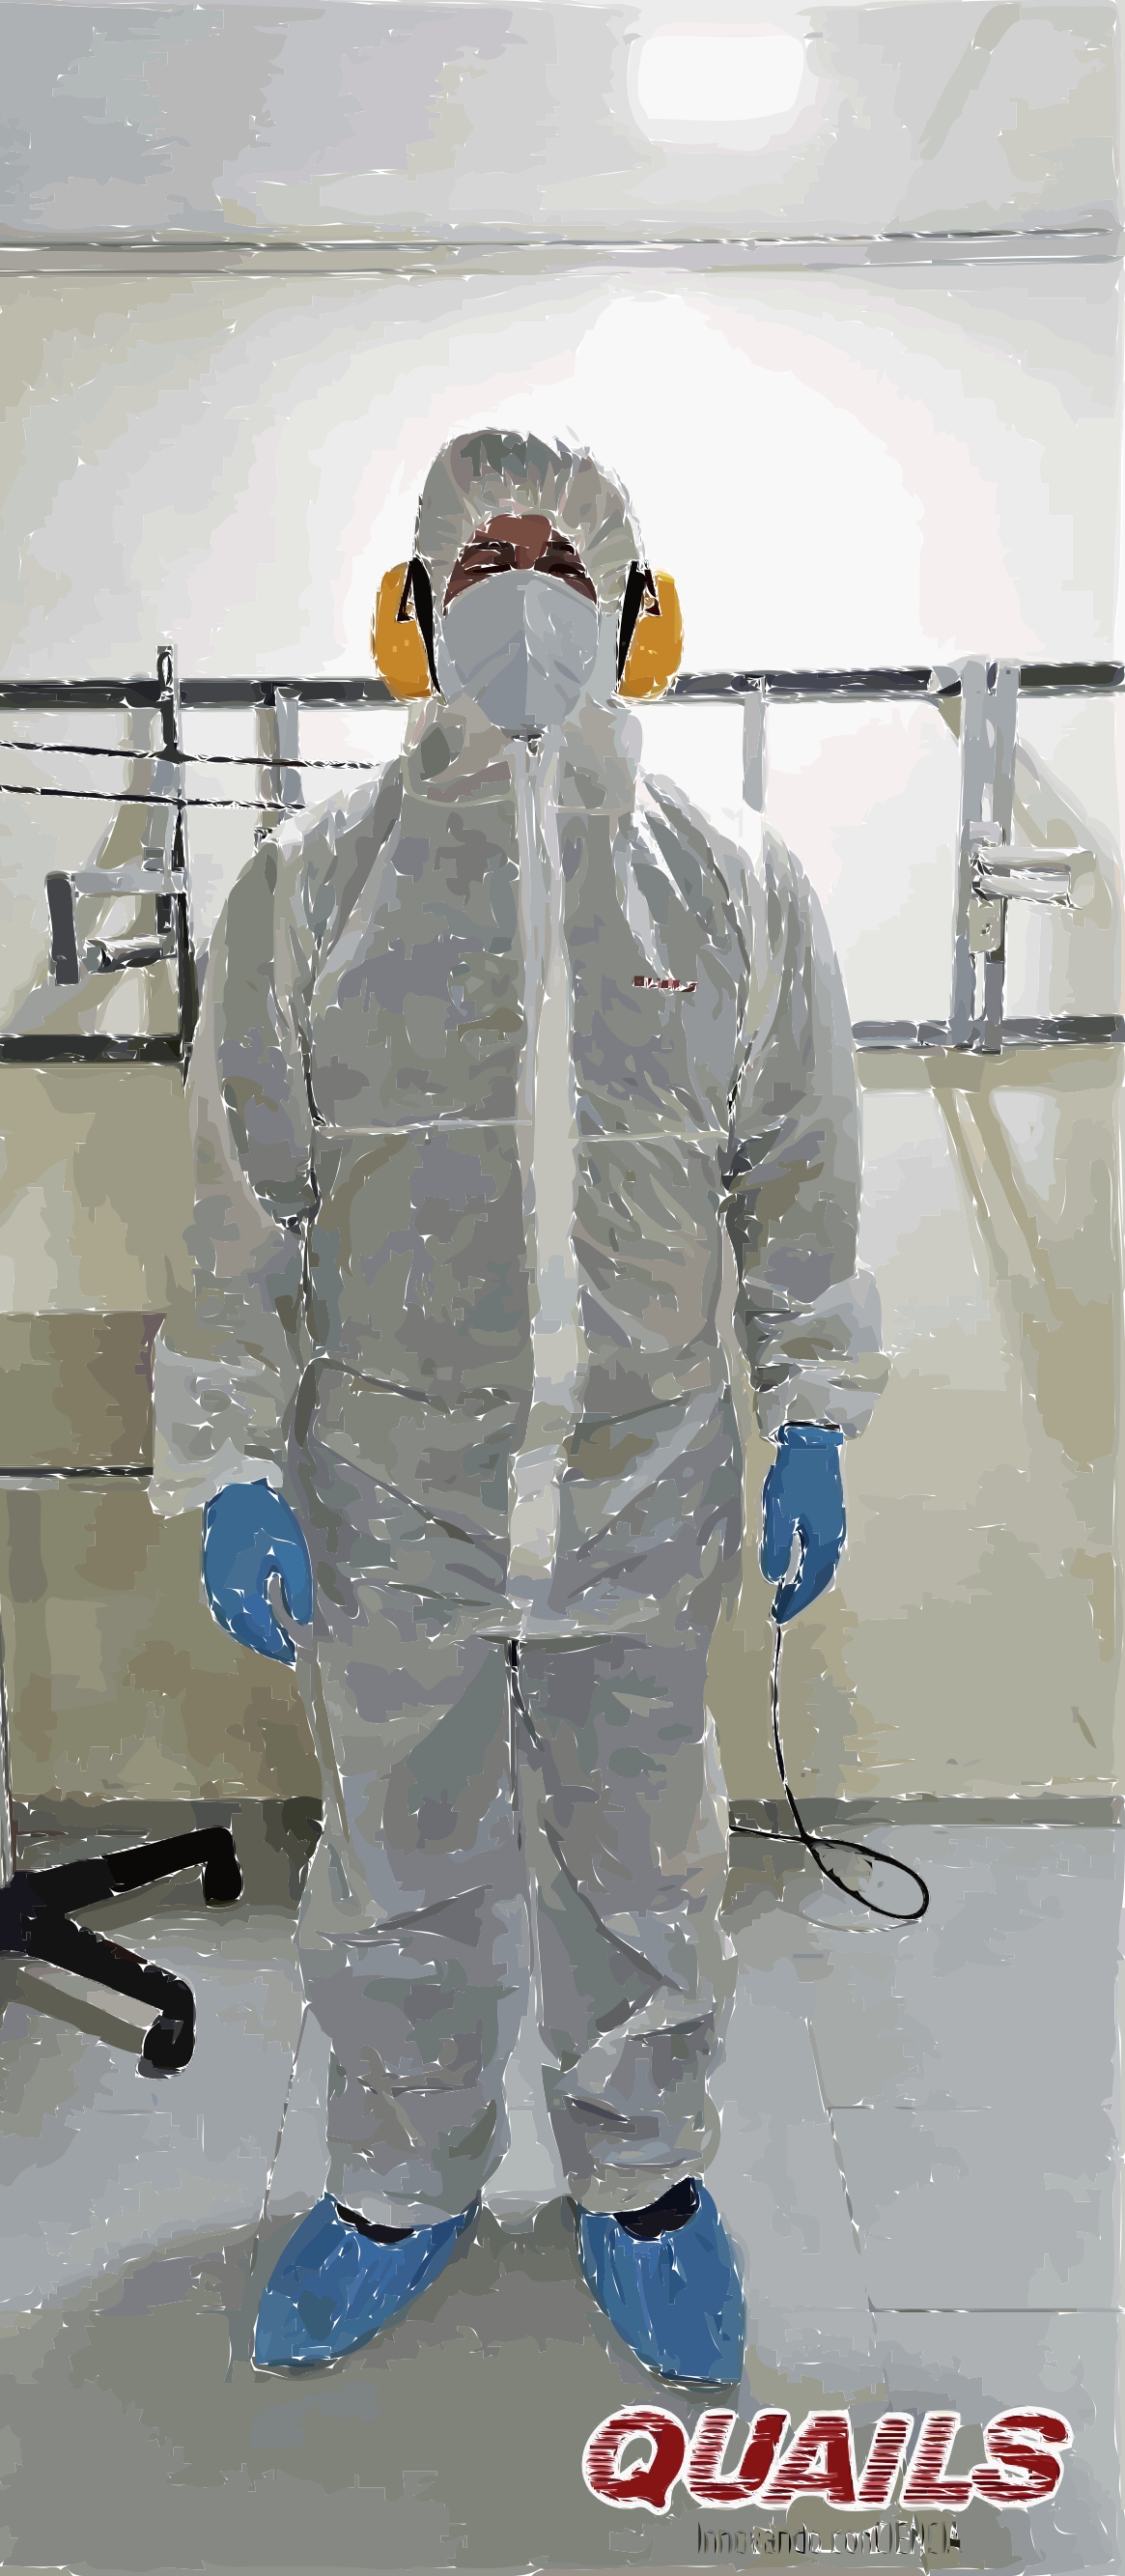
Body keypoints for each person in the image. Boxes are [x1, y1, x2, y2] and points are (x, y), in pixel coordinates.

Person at [151, 428, 887, 2383]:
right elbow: (241, 1195)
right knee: (402, 1851)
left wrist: (815, 1406)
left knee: (645, 1851)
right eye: (483, 558)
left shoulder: (733, 878)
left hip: (649, 1481)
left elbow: (800, 1169)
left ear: (639, 611)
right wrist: (228, 1457)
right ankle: (397, 2185)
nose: (525, 591)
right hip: (392, 1484)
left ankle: (644, 2180)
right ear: (412, 608)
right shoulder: (312, 884)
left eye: (565, 559)